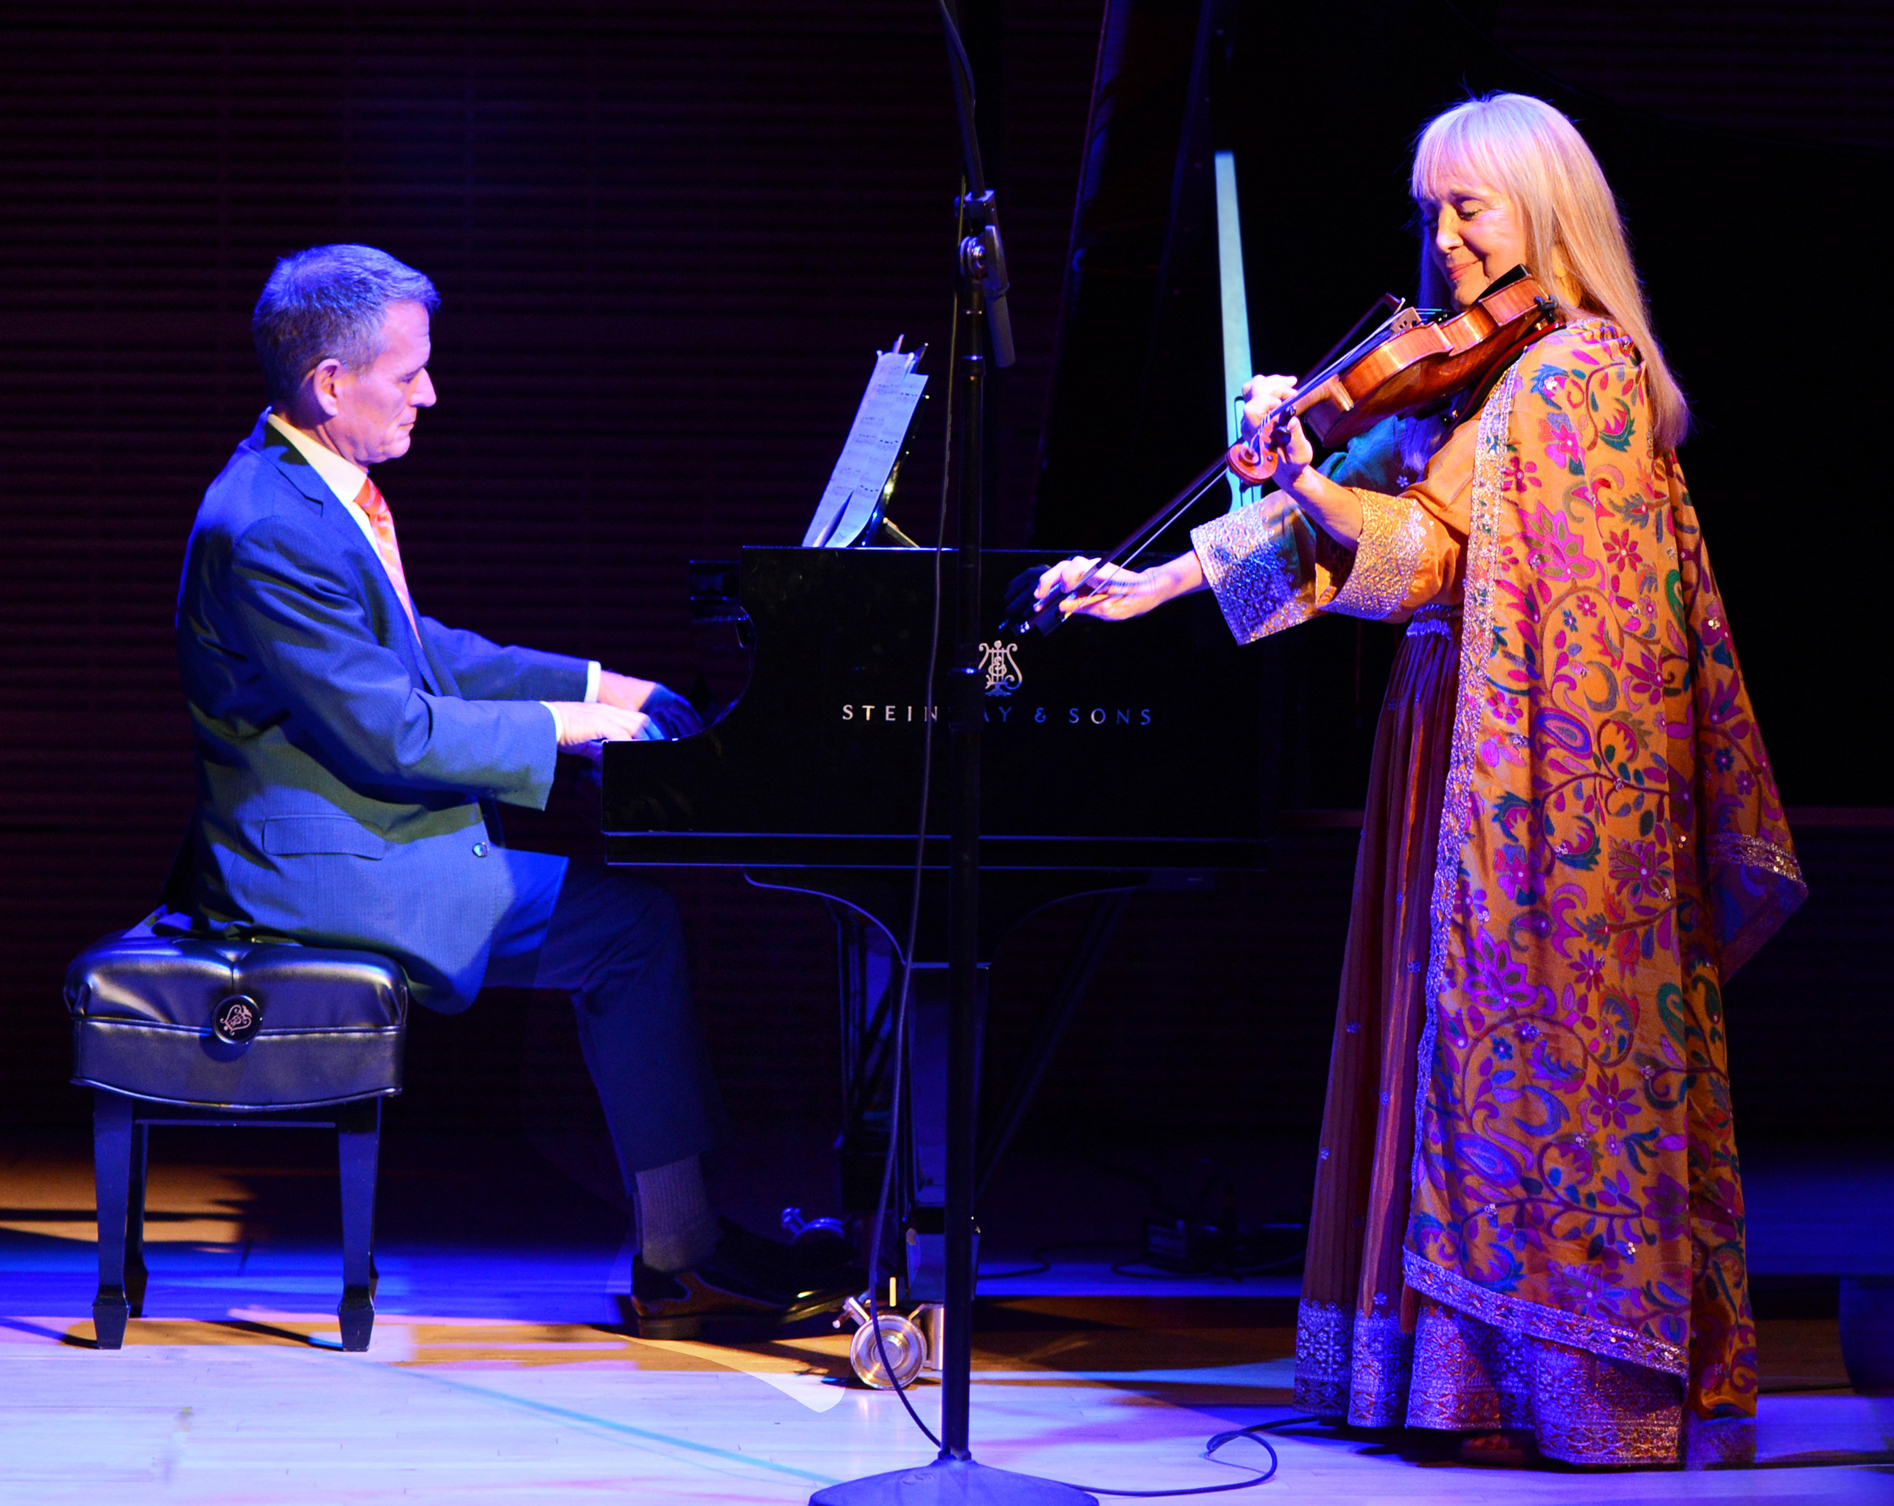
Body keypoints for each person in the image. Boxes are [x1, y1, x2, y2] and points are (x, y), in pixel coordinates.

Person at [1036, 94, 1804, 1467]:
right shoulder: (1472, 375)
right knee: (1427, 1048)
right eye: (1428, 210)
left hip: (1532, 777)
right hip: (1449, 738)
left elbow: (1435, 558)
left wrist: (1310, 484)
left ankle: (1558, 1382)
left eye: (1469, 208)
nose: (1443, 240)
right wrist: (1144, 585)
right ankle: (1447, 1381)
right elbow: (1382, 543)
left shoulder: (1579, 373)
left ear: (1542, 211)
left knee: (1517, 1052)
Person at [172, 243, 847, 1336]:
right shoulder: (268, 528)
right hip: (320, 874)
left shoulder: (301, 489)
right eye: (409, 373)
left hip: (352, 837)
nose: (430, 393)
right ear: (331, 384)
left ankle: (685, 1249)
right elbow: (390, 728)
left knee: (629, 921)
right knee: (630, 930)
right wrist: (572, 729)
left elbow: (422, 650)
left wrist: (602, 683)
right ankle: (682, 1258)